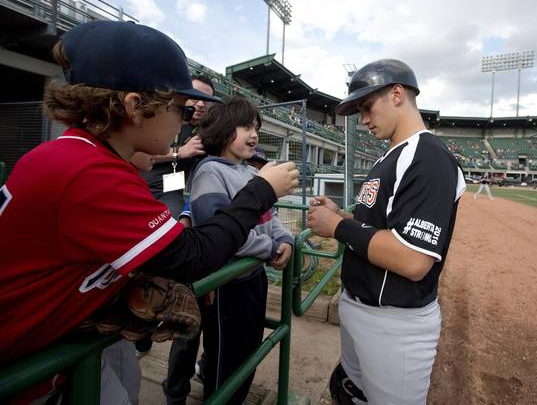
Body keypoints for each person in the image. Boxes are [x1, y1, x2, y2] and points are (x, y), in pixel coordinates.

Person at [0, 20, 299, 404]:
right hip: (23, 372)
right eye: (179, 106)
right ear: (135, 107)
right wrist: (262, 189)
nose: (186, 116)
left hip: (55, 344)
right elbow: (193, 256)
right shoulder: (88, 171)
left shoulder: (80, 154)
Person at [307, 59, 465, 405]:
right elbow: (379, 224)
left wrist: (336, 226)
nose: (363, 120)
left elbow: (413, 259)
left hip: (396, 325)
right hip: (361, 308)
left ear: (397, 94)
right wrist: (343, 215)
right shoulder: (391, 155)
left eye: (367, 107)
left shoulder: (429, 157)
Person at [163, 96, 293, 405]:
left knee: (247, 350)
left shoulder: (251, 173)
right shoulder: (210, 173)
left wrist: (286, 239)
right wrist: (269, 247)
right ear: (222, 128)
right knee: (226, 360)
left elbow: (270, 218)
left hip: (253, 279)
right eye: (245, 126)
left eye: (256, 127)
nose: (254, 134)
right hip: (226, 286)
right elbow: (219, 231)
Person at [139, 74, 217, 218]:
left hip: (172, 191)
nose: (200, 104)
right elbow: (140, 156)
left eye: (206, 100)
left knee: (172, 223)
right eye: (195, 97)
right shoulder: (161, 116)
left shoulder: (209, 131)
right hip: (140, 183)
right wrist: (180, 152)